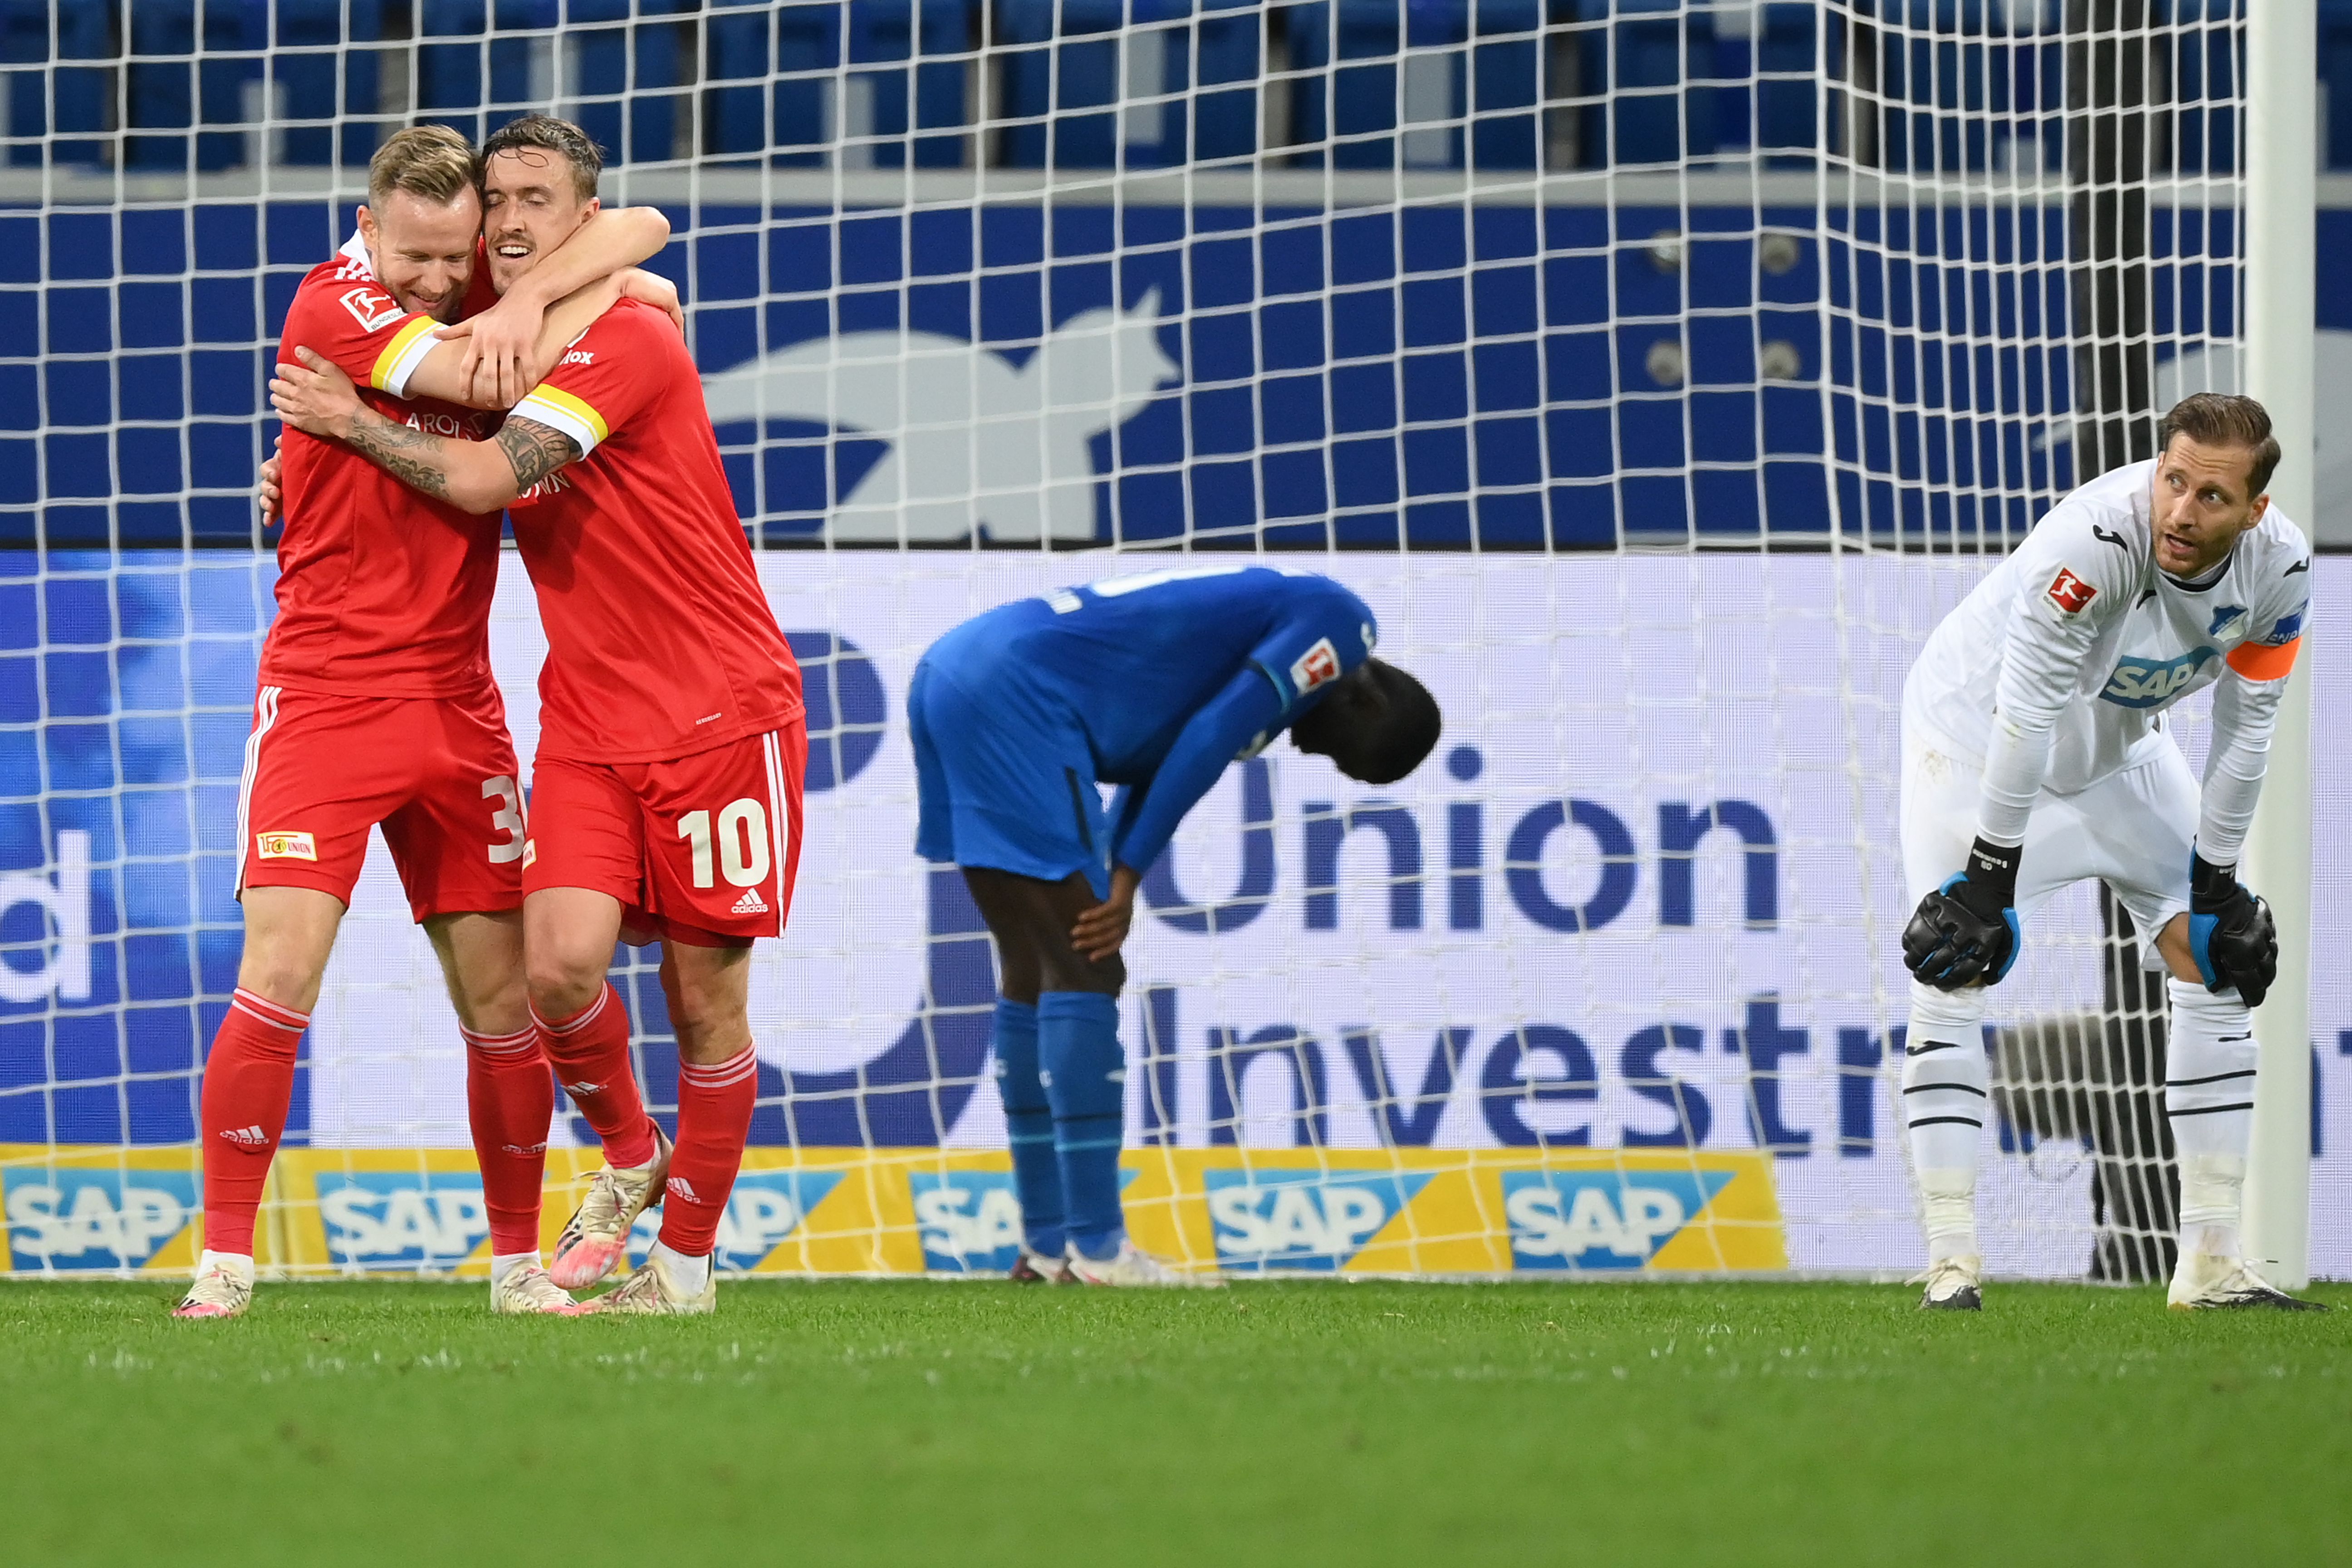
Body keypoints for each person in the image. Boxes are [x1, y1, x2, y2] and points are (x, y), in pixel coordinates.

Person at [269, 116, 806, 1316]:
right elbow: (631, 238)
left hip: (720, 706)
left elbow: (470, 476)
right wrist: (301, 468)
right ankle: (630, 1161)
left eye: (536, 200)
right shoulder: (503, 319)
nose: (508, 219)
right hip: (588, 720)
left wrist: (345, 423)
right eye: (495, 198)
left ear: (576, 220)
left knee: (706, 1002)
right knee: (556, 974)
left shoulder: (625, 339)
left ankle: (684, 1268)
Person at [175, 125, 672, 1320]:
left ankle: (514, 1270)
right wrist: (528, 323)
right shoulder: (333, 306)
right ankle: (225, 1262)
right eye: (420, 261)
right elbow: (480, 388)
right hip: (326, 700)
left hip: (459, 706)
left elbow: (645, 248)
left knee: (502, 1006)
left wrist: (531, 292)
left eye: (461, 260)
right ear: (366, 228)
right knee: (281, 974)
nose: (447, 282)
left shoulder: (482, 279)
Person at [1896, 392, 2323, 1313]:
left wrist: (2215, 884)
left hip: (2123, 753)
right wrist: (1989, 875)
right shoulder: (2091, 543)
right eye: (2173, 481)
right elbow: (2026, 714)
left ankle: (2211, 1261)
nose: (2180, 510)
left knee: (2221, 959)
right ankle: (1951, 1266)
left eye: (2211, 497)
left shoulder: (2283, 570)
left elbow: (2246, 737)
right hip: (1976, 748)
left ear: (2254, 512)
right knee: (1954, 962)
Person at [908, 564, 1441, 1284]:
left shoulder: (1270, 643)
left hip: (954, 670)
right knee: (1089, 964)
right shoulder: (1340, 624)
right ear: (1366, 699)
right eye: (1340, 751)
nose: (1310, 751)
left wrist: (1118, 862)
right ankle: (1099, 1252)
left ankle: (1048, 1246)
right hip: (1019, 695)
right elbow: (1211, 737)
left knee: (1031, 967)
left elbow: (1162, 754)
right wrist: (1124, 878)